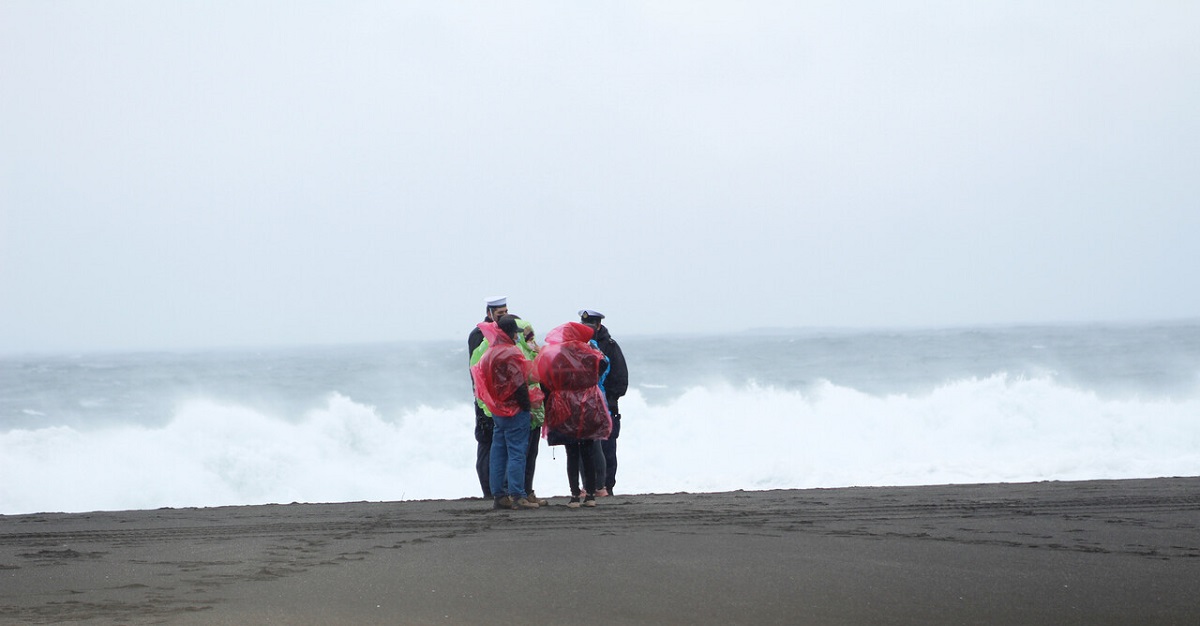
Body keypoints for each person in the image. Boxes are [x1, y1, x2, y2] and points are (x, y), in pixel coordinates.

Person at [537, 321, 611, 508]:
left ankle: (574, 495)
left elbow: (545, 378)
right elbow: (603, 365)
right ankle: (591, 495)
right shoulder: (589, 354)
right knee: (588, 451)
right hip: (587, 405)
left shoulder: (557, 356)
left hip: (566, 406)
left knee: (572, 453)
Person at [472, 315, 539, 510]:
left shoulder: (489, 353)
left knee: (498, 452)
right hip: (515, 410)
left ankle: (499, 496)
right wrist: (526, 407)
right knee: (517, 452)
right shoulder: (511, 352)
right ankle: (518, 495)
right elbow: (519, 383)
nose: (517, 337)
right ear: (511, 333)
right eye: (516, 333)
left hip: (497, 410)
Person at [580, 309, 628, 497]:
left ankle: (607, 486)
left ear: (598, 326)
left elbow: (621, 380)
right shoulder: (577, 346)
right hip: (583, 407)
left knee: (607, 449)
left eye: (590, 326)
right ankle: (587, 486)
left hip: (607, 408)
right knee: (584, 449)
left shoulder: (611, 347)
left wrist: (608, 399)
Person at [467, 296, 507, 498]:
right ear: (490, 313)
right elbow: (477, 367)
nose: (504, 316)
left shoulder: (505, 331)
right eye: (500, 313)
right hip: (485, 398)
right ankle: (488, 491)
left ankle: (502, 487)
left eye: (506, 312)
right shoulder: (479, 334)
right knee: (486, 442)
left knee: (501, 444)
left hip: (502, 397)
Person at [514, 318, 549, 506]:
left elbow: (545, 374)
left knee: (531, 453)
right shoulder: (517, 352)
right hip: (524, 407)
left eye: (531, 334)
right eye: (526, 335)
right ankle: (518, 492)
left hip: (536, 408)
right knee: (521, 453)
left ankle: (528, 490)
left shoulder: (533, 351)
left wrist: (540, 353)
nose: (530, 338)